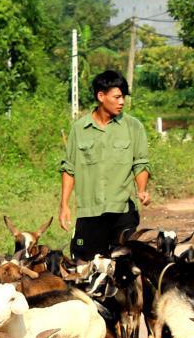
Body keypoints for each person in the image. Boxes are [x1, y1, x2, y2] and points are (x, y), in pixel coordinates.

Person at [59, 70, 151, 260]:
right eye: (117, 97)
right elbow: (70, 168)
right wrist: (64, 205)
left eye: (123, 97)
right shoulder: (79, 129)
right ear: (101, 96)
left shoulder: (133, 127)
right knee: (84, 261)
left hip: (122, 211)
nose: (122, 102)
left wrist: (142, 189)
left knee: (125, 263)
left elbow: (140, 163)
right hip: (89, 212)